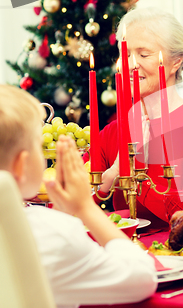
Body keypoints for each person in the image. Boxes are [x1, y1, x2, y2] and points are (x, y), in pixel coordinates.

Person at [0, 84, 157, 307]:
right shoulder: (49, 232)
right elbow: (141, 277)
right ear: (21, 165)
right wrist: (86, 208)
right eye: (39, 144)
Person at [91, 8, 183, 229]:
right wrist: (114, 172)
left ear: (176, 62)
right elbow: (70, 204)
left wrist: (135, 168)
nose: (132, 64)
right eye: (126, 54)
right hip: (126, 255)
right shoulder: (113, 131)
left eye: (144, 54)